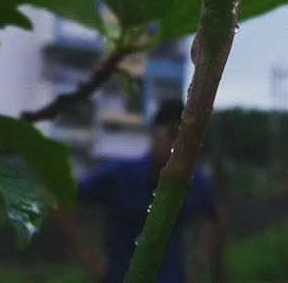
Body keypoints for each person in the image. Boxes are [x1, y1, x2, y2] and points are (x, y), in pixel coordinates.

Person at [62, 99, 218, 283]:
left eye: (188, 140)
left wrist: (197, 264)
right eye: (173, 134)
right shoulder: (119, 175)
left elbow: (214, 218)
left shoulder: (194, 181)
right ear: (154, 134)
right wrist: (88, 257)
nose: (179, 146)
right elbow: (63, 199)